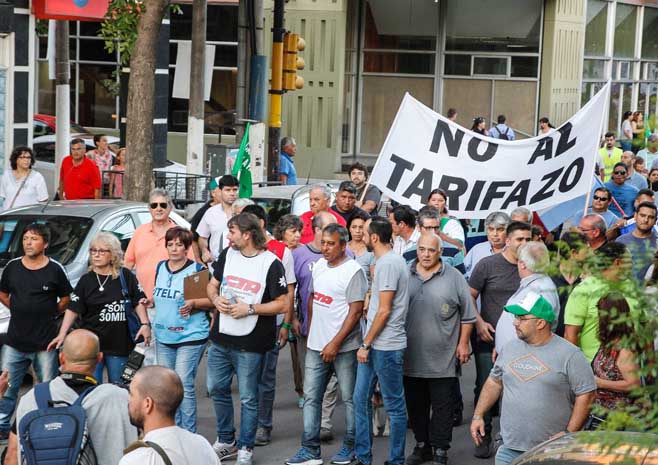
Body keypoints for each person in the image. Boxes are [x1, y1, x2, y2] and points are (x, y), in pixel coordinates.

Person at [470, 292, 596, 465]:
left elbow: (587, 394)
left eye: (522, 318)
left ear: (540, 323)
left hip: (551, 451)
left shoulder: (570, 354)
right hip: (509, 448)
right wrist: (478, 415)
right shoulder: (510, 348)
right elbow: (494, 382)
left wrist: (568, 432)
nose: (515, 322)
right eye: (515, 317)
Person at [206, 213, 288, 465]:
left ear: (247, 234)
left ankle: (246, 447)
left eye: (232, 232)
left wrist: (250, 308)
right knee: (216, 388)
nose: (228, 237)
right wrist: (215, 299)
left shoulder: (271, 263)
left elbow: (282, 303)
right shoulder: (227, 255)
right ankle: (226, 440)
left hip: (251, 343)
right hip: (220, 338)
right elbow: (212, 285)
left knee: (249, 397)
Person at [286, 224, 368, 465]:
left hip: (345, 348)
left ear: (344, 245)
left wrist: (334, 343)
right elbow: (312, 297)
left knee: (351, 398)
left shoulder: (353, 271)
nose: (325, 248)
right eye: (323, 243)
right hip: (315, 345)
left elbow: (354, 313)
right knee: (311, 397)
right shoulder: (319, 266)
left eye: (331, 244)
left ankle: (351, 447)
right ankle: (310, 450)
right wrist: (312, 328)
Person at [5, 329, 137, 465]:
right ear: (99, 358)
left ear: (61, 358)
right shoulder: (121, 398)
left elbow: (12, 455)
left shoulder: (31, 398)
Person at [404, 233, 475, 465]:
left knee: (443, 406)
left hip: (443, 357)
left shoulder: (454, 277)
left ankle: (440, 449)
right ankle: (422, 445)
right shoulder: (406, 273)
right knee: (416, 406)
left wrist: (463, 343)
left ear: (440, 252)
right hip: (410, 357)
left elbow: (467, 316)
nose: (425, 254)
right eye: (422, 249)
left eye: (431, 250)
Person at [0, 223, 73, 440]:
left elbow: (66, 299)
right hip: (15, 342)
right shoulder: (13, 267)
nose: (28, 242)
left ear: (45, 244)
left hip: (45, 343)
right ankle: (2, 427)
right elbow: (3, 293)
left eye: (33, 238)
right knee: (7, 388)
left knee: (47, 388)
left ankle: (47, 427)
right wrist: (18, 307)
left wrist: (48, 311)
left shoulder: (55, 269)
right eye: (25, 238)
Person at [48, 232, 151, 384]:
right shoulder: (86, 280)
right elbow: (73, 308)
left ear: (113, 254)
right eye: (93, 251)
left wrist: (145, 324)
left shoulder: (125, 276)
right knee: (90, 387)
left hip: (120, 344)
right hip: (92, 347)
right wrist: (62, 334)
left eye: (102, 251)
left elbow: (138, 301)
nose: (96, 255)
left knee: (118, 388)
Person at [468, 221, 532, 458]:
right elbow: (469, 296)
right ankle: (481, 437)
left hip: (524, 341)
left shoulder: (533, 268)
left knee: (518, 391)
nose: (524, 244)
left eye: (528, 239)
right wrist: (478, 322)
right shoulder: (487, 265)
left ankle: (511, 440)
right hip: (489, 339)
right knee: (486, 386)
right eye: (519, 239)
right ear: (508, 241)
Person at [352, 217, 409, 465]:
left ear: (374, 237)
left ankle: (396, 460)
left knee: (394, 406)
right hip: (376, 343)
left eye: (364, 232)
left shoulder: (388, 263)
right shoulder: (384, 262)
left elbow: (385, 310)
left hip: (385, 346)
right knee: (360, 399)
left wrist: (366, 344)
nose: (361, 236)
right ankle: (363, 456)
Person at [240, 204, 297, 447]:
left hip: (271, 324)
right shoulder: (236, 250)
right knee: (245, 378)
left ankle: (263, 424)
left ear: (260, 225)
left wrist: (285, 324)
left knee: (265, 377)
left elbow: (290, 291)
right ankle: (246, 425)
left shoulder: (281, 251)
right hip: (242, 323)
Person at [152, 227, 212, 433]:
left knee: (183, 384)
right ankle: (171, 430)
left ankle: (188, 434)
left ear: (187, 248)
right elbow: (160, 295)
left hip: (190, 335)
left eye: (179, 245)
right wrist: (149, 300)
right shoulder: (160, 266)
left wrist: (193, 303)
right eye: (170, 244)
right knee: (167, 386)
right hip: (163, 335)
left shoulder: (196, 270)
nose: (174, 249)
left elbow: (210, 301)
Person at [124, 189, 193, 365]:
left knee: (165, 355)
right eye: (154, 205)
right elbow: (127, 265)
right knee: (144, 351)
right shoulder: (140, 232)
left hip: (171, 304)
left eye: (163, 205)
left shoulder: (179, 235)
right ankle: (149, 389)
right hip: (143, 303)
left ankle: (165, 389)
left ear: (170, 208)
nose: (159, 208)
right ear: (149, 208)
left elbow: (193, 270)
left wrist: (191, 302)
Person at [292, 212, 340, 437]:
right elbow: (290, 291)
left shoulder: (345, 253)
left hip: (335, 330)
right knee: (311, 382)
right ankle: (311, 428)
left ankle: (324, 424)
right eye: (329, 228)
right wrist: (292, 319)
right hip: (307, 330)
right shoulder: (298, 254)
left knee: (330, 380)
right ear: (318, 231)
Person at [120, 366, 219, 465]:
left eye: (132, 394)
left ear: (147, 404)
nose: (129, 400)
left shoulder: (136, 459)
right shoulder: (202, 445)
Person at [564, 242, 639, 362]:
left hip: (633, 366)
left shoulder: (632, 286)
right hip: (594, 371)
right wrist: (577, 369)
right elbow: (570, 335)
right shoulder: (584, 290)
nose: (632, 265)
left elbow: (643, 324)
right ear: (618, 262)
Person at [586, 294, 641, 430]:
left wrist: (599, 382)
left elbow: (633, 385)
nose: (597, 319)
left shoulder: (624, 349)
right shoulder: (610, 342)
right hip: (602, 415)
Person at [494, 241, 560, 354]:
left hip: (522, 360)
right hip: (512, 355)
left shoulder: (539, 290)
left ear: (523, 264)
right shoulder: (535, 284)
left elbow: (536, 331)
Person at [552, 231, 588, 337]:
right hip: (554, 340)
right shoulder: (548, 278)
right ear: (573, 253)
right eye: (586, 251)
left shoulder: (587, 277)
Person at [197, 174, 239, 264]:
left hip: (239, 265)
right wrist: (204, 251)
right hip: (216, 265)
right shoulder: (210, 213)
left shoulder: (245, 212)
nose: (232, 193)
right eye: (228, 190)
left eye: (235, 190)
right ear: (220, 191)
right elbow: (202, 237)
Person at [616, 201, 658, 281]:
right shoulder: (621, 241)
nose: (646, 220)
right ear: (635, 216)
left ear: (655, 220)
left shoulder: (657, 243)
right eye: (642, 215)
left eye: (651, 217)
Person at [418, 206, 465, 273]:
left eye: (436, 228)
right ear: (418, 228)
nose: (433, 232)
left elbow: (462, 280)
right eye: (428, 228)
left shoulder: (454, 252)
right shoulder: (408, 253)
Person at [0, 146, 48, 211]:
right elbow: (2, 196)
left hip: (27, 217)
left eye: (28, 157)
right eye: (22, 157)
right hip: (8, 217)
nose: (26, 160)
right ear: (15, 159)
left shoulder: (37, 176)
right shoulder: (7, 175)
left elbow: (43, 200)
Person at [464, 212, 511, 278]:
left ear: (508, 231)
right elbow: (463, 273)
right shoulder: (477, 249)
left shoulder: (514, 250)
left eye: (500, 229)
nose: (495, 234)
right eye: (491, 229)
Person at [190, 176, 226, 261]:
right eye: (223, 190)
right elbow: (194, 238)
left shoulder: (234, 210)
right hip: (211, 263)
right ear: (213, 193)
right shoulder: (204, 212)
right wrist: (198, 260)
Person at [348, 210, 375, 283]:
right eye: (354, 227)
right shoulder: (342, 248)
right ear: (349, 228)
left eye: (361, 227)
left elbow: (374, 280)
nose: (357, 231)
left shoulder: (371, 252)